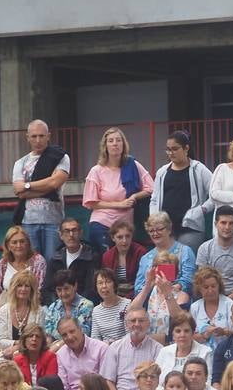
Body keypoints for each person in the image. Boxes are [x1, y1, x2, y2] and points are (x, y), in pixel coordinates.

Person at [83, 127, 154, 255]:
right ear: (105, 146)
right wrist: (119, 204)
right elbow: (91, 202)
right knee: (106, 260)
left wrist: (135, 196)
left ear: (123, 144)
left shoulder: (133, 165)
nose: (115, 143)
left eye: (118, 140)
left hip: (125, 227)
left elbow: (151, 188)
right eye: (110, 141)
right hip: (102, 222)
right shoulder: (96, 171)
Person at [11, 119, 70, 261]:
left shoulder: (60, 157)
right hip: (28, 221)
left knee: (52, 262)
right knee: (32, 263)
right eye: (34, 136)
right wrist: (46, 187)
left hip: (54, 220)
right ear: (28, 137)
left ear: (48, 136)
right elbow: (19, 191)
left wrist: (28, 186)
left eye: (42, 136)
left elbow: (55, 183)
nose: (38, 140)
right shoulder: (20, 162)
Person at [149, 129, 212, 253]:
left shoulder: (199, 169)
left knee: (186, 262)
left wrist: (202, 210)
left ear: (186, 148)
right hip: (166, 229)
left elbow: (215, 194)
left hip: (191, 228)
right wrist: (154, 217)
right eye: (168, 149)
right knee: (167, 266)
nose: (170, 153)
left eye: (175, 149)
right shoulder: (162, 172)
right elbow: (154, 199)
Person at [100, 307, 162, 390]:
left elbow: (159, 381)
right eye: (133, 320)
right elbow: (108, 380)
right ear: (126, 324)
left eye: (141, 321)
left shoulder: (158, 349)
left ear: (148, 324)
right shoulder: (115, 347)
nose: (137, 324)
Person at [134, 213, 197, 303]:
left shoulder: (185, 251)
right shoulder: (145, 258)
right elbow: (138, 289)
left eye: (159, 229)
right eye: (151, 231)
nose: (155, 233)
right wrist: (151, 285)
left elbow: (189, 280)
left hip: (179, 301)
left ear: (169, 229)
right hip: (152, 304)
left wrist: (170, 289)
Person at [196, 205, 233, 302]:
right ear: (216, 224)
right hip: (212, 296)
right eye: (223, 223)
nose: (227, 227)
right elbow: (203, 282)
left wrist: (226, 302)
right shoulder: (204, 248)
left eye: (231, 223)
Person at [44, 217, 101, 304]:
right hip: (59, 307)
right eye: (66, 231)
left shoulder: (92, 257)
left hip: (84, 307)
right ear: (60, 235)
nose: (71, 235)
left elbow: (91, 289)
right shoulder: (55, 259)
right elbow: (47, 289)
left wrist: (76, 305)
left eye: (74, 230)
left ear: (81, 233)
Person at [0, 225, 47, 308]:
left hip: (30, 307)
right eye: (14, 242)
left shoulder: (38, 261)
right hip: (4, 307)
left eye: (22, 241)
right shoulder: (3, 263)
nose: (19, 245)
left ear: (28, 243)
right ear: (8, 245)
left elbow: (38, 292)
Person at [53, 316, 107, 390]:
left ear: (80, 329)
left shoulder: (101, 348)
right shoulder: (61, 354)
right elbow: (63, 386)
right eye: (64, 335)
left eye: (72, 331)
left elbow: (105, 381)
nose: (69, 337)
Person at [43, 270, 94, 345]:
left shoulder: (86, 306)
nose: (63, 293)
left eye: (66, 288)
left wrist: (57, 345)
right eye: (59, 290)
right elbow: (48, 335)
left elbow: (80, 335)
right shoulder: (53, 307)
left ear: (75, 286)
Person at [157, 312, 212, 380]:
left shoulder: (206, 352)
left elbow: (208, 380)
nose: (182, 335)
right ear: (173, 335)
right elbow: (156, 379)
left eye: (186, 331)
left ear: (193, 333)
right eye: (178, 331)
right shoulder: (164, 351)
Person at [188, 266, 233, 345]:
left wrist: (224, 332)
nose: (210, 290)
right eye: (206, 287)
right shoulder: (195, 307)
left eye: (213, 286)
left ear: (219, 286)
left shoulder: (229, 304)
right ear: (199, 289)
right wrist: (205, 335)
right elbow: (190, 337)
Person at [100, 219, 148, 294]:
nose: (124, 241)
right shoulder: (107, 256)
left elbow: (143, 281)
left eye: (128, 236)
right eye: (120, 237)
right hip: (114, 294)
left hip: (136, 293)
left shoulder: (141, 252)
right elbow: (107, 281)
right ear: (113, 238)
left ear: (132, 236)